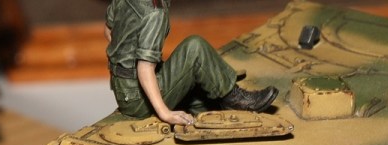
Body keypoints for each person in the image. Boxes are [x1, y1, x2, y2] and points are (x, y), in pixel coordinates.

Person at [105, 0, 277, 127]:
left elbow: (108, 30)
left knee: (201, 99)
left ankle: (215, 106)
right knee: (194, 47)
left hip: (123, 89)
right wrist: (165, 113)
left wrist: (124, 61)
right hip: (137, 100)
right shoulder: (154, 13)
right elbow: (144, 68)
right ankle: (234, 99)